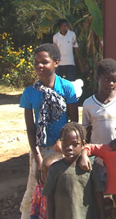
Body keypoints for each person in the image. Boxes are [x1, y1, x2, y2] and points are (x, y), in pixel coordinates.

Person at [19, 43, 79, 219]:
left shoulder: (66, 88)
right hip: (40, 148)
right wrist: (37, 155)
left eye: (44, 62)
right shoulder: (29, 93)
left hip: (63, 148)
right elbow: (31, 128)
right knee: (36, 188)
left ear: (56, 63)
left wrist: (62, 141)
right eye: (36, 62)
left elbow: (73, 121)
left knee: (63, 187)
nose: (40, 66)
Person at [43, 122, 105, 219]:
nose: (69, 148)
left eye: (74, 144)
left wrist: (102, 215)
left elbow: (98, 193)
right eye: (65, 143)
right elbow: (50, 197)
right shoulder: (55, 169)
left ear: (83, 144)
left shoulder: (91, 165)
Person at [82, 58, 116, 144]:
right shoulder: (88, 103)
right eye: (107, 80)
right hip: (96, 152)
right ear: (97, 78)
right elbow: (86, 131)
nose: (111, 83)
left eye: (114, 80)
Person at [29, 152, 63, 219]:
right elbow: (35, 207)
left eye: (49, 173)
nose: (44, 176)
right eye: (42, 172)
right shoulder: (40, 188)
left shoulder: (63, 190)